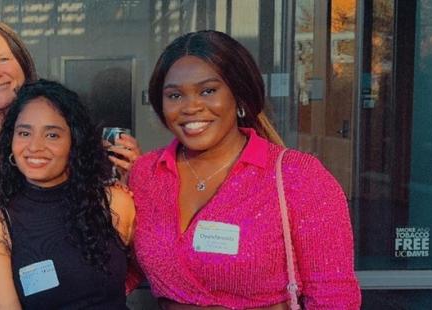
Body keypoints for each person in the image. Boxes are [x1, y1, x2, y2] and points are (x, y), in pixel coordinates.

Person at [129, 30, 360, 309]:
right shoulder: (145, 174)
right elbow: (123, 268)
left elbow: (334, 295)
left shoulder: (298, 176)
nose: (191, 107)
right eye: (175, 95)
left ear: (238, 95)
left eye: (208, 91)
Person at [0, 80, 135, 309]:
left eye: (52, 135)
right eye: (24, 133)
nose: (35, 146)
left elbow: (150, 268)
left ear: (74, 142)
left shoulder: (113, 202)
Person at [0, 22, 141, 184]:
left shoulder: (74, 140)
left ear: (23, 64)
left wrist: (134, 176)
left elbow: (101, 205)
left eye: (3, 60)